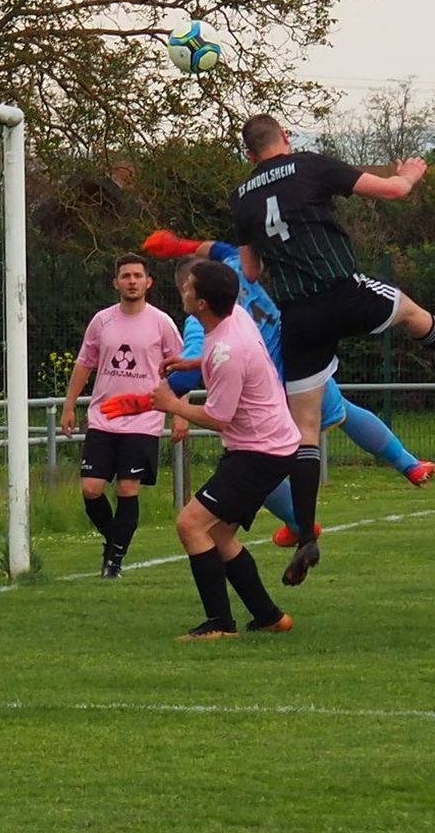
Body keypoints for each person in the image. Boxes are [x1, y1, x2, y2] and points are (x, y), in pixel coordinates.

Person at [230, 115, 435, 586]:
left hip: (297, 315)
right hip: (341, 291)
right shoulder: (309, 164)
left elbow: (251, 270)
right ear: (285, 137)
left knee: (305, 431)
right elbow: (393, 191)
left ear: (249, 154)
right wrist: (410, 174)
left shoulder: (241, 197)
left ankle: (306, 533)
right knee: (411, 313)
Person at [143, 231, 435, 544]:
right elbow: (226, 249)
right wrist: (178, 245)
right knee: (346, 412)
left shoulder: (201, 319)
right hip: (300, 364)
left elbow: (186, 376)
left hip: (268, 396)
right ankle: (408, 463)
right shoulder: (237, 273)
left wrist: (151, 398)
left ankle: (299, 523)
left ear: (188, 290)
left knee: (256, 462)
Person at [147, 260, 301, 640]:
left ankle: (219, 624)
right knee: (218, 534)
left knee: (190, 524)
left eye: (188, 287)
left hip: (259, 452)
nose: (183, 290)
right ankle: (270, 617)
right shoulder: (236, 319)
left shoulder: (226, 350)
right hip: (269, 446)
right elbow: (233, 358)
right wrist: (194, 361)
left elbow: (219, 418)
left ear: (201, 303)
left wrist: (172, 404)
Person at [60, 253, 183, 578]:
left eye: (137, 276)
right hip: (104, 417)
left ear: (148, 282)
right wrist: (69, 405)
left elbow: (180, 369)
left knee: (128, 489)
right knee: (91, 489)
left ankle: (113, 560)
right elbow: (84, 363)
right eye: (125, 276)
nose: (132, 281)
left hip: (143, 419)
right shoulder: (102, 321)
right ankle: (114, 539)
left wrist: (180, 412)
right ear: (115, 282)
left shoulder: (162, 323)